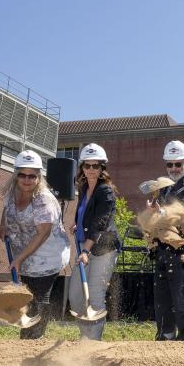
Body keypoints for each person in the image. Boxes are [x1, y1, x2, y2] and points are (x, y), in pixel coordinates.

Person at [1, 150, 71, 339]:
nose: (27, 180)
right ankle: (27, 336)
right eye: (22, 175)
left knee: (38, 296)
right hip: (24, 254)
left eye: (32, 176)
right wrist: (3, 226)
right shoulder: (12, 192)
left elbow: (43, 233)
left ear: (39, 177)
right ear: (16, 175)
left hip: (47, 256)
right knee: (27, 295)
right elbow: (6, 209)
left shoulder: (44, 200)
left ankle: (34, 340)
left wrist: (19, 258)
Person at [150, 140, 184, 340]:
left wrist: (161, 211)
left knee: (182, 302)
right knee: (162, 299)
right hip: (163, 251)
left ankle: (182, 343)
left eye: (177, 164)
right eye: (169, 164)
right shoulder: (164, 187)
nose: (173, 168)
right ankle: (164, 336)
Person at [68, 143, 119, 340]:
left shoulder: (105, 191)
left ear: (102, 168)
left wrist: (86, 250)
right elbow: (85, 215)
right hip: (85, 248)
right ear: (82, 168)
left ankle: (93, 343)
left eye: (95, 166)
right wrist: (77, 225)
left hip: (103, 249)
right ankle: (85, 337)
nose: (91, 170)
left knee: (95, 295)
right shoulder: (83, 187)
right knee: (76, 296)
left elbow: (100, 222)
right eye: (87, 166)